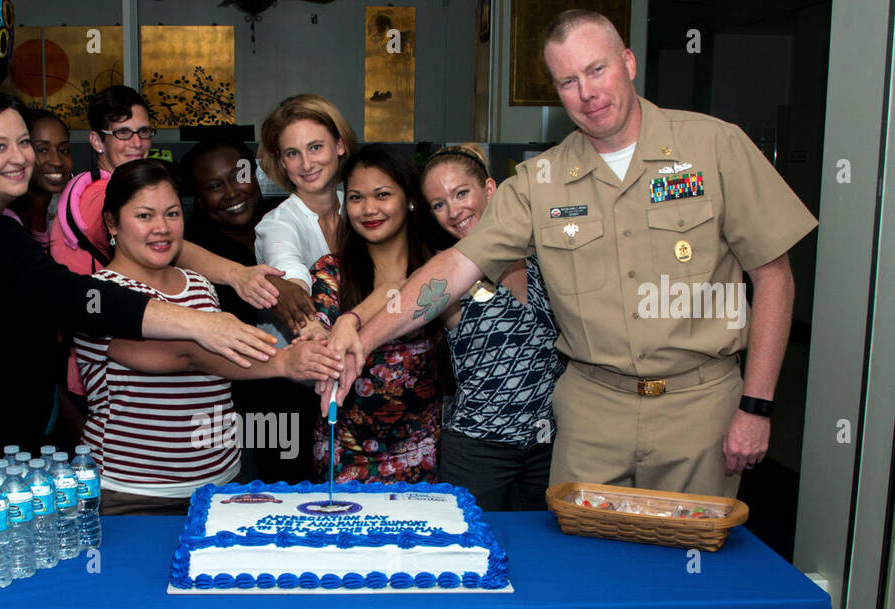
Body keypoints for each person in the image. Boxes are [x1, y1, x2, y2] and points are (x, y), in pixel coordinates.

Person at [331, 10, 817, 498]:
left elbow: (773, 276)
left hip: (699, 405)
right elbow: (456, 267)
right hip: (592, 414)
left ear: (627, 62)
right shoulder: (540, 180)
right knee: (582, 559)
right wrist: (364, 340)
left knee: (687, 562)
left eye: (596, 70)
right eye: (568, 81)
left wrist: (756, 406)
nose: (587, 93)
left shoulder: (715, 147)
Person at [0, 92, 275, 454]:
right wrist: (203, 323)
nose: (19, 158)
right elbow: (73, 296)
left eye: (23, 142)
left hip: (3, 430)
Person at [77, 160, 343, 514]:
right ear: (112, 222)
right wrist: (284, 362)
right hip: (132, 491)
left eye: (172, 214)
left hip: (221, 484)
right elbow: (179, 355)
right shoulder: (101, 296)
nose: (161, 228)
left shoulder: (199, 284)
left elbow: (217, 368)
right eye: (144, 216)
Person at [46, 86, 285, 311]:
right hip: (91, 335)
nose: (137, 143)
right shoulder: (99, 192)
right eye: (123, 133)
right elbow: (170, 244)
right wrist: (237, 275)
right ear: (97, 141)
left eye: (144, 132)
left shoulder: (109, 183)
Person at [421, 145, 564, 510]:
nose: (453, 212)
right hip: (477, 451)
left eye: (461, 193)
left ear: (489, 189)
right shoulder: (445, 272)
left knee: (542, 550)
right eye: (438, 205)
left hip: (548, 445)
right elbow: (397, 298)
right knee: (471, 553)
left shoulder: (546, 258)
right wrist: (352, 324)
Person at [182, 135, 319, 482]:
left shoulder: (286, 221)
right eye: (214, 186)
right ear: (198, 197)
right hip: (229, 405)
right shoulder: (192, 249)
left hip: (301, 392)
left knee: (302, 490)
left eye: (238, 176)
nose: (231, 193)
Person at [306, 146, 445, 485]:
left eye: (382, 195)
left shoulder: (438, 267)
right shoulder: (330, 272)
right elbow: (321, 352)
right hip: (343, 455)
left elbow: (414, 290)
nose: (368, 209)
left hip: (421, 453)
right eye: (356, 197)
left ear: (409, 198)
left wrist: (357, 315)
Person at [255, 93, 358, 340]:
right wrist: (311, 327)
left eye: (315, 147)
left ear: (340, 145)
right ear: (281, 161)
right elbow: (289, 272)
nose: (306, 164)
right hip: (287, 373)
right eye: (292, 153)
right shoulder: (276, 224)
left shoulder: (359, 208)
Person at [8, 108, 73, 249]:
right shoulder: (7, 223)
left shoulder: (67, 211)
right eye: (43, 150)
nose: (57, 161)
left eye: (64, 150)